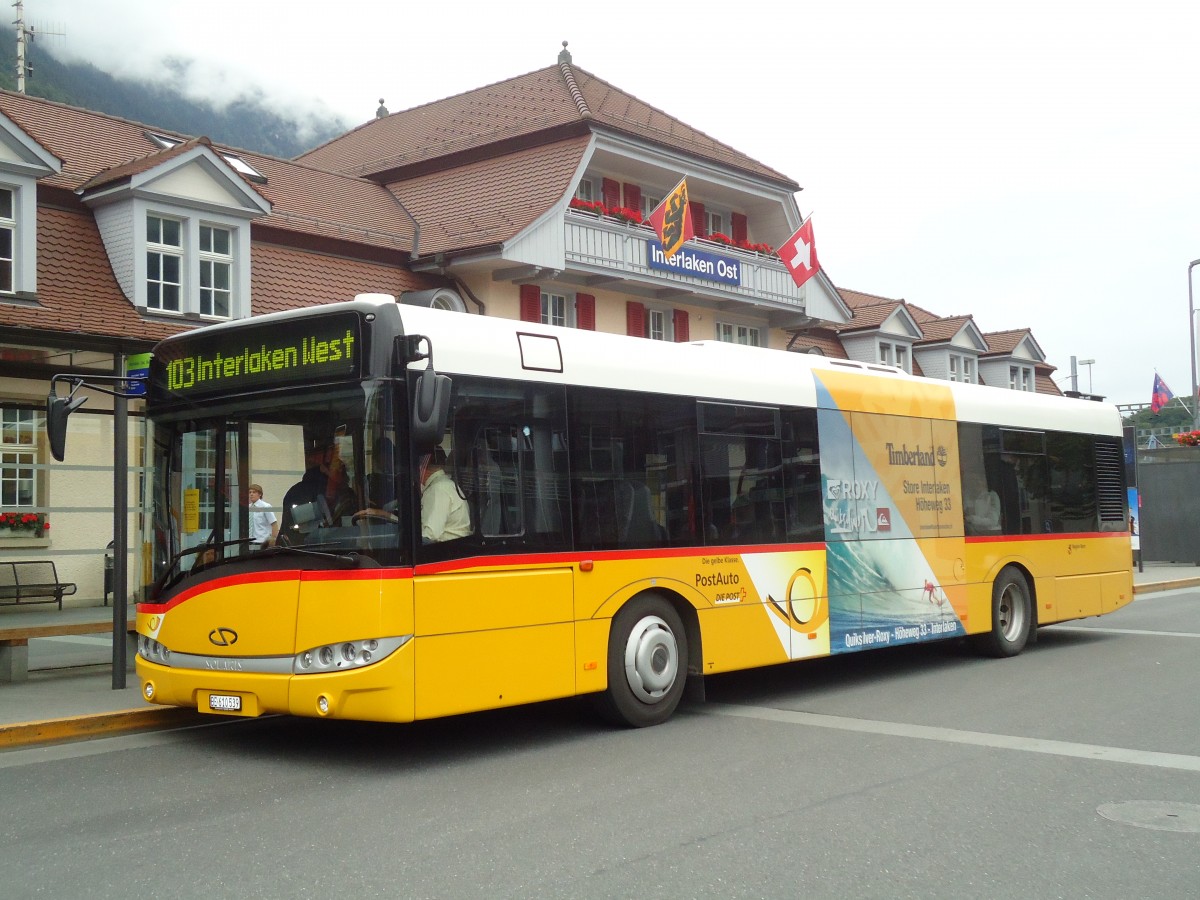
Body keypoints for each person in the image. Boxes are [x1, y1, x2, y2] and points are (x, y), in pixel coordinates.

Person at [420, 446, 472, 542]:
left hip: (447, 551)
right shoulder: (445, 484)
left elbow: (430, 534)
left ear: (424, 466)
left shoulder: (438, 489)